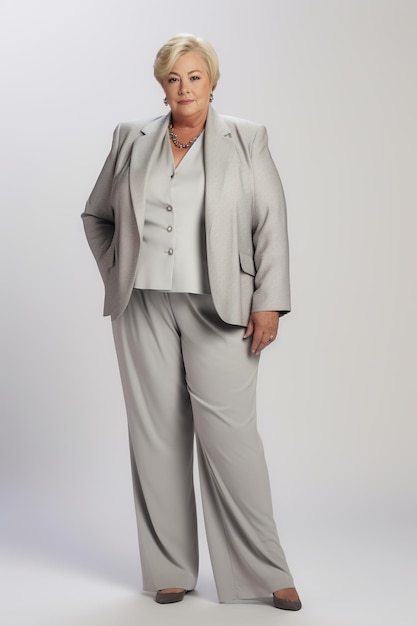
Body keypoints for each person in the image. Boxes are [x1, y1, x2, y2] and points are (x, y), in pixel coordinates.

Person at [82, 33, 301, 611]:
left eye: (195, 77)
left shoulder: (246, 138)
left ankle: (264, 572)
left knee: (232, 441)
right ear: (161, 85)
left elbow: (270, 224)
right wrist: (116, 273)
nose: (185, 88)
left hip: (222, 307)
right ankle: (169, 569)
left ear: (212, 81)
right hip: (142, 305)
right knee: (156, 437)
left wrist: (268, 301)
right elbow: (96, 214)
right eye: (174, 78)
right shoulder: (131, 138)